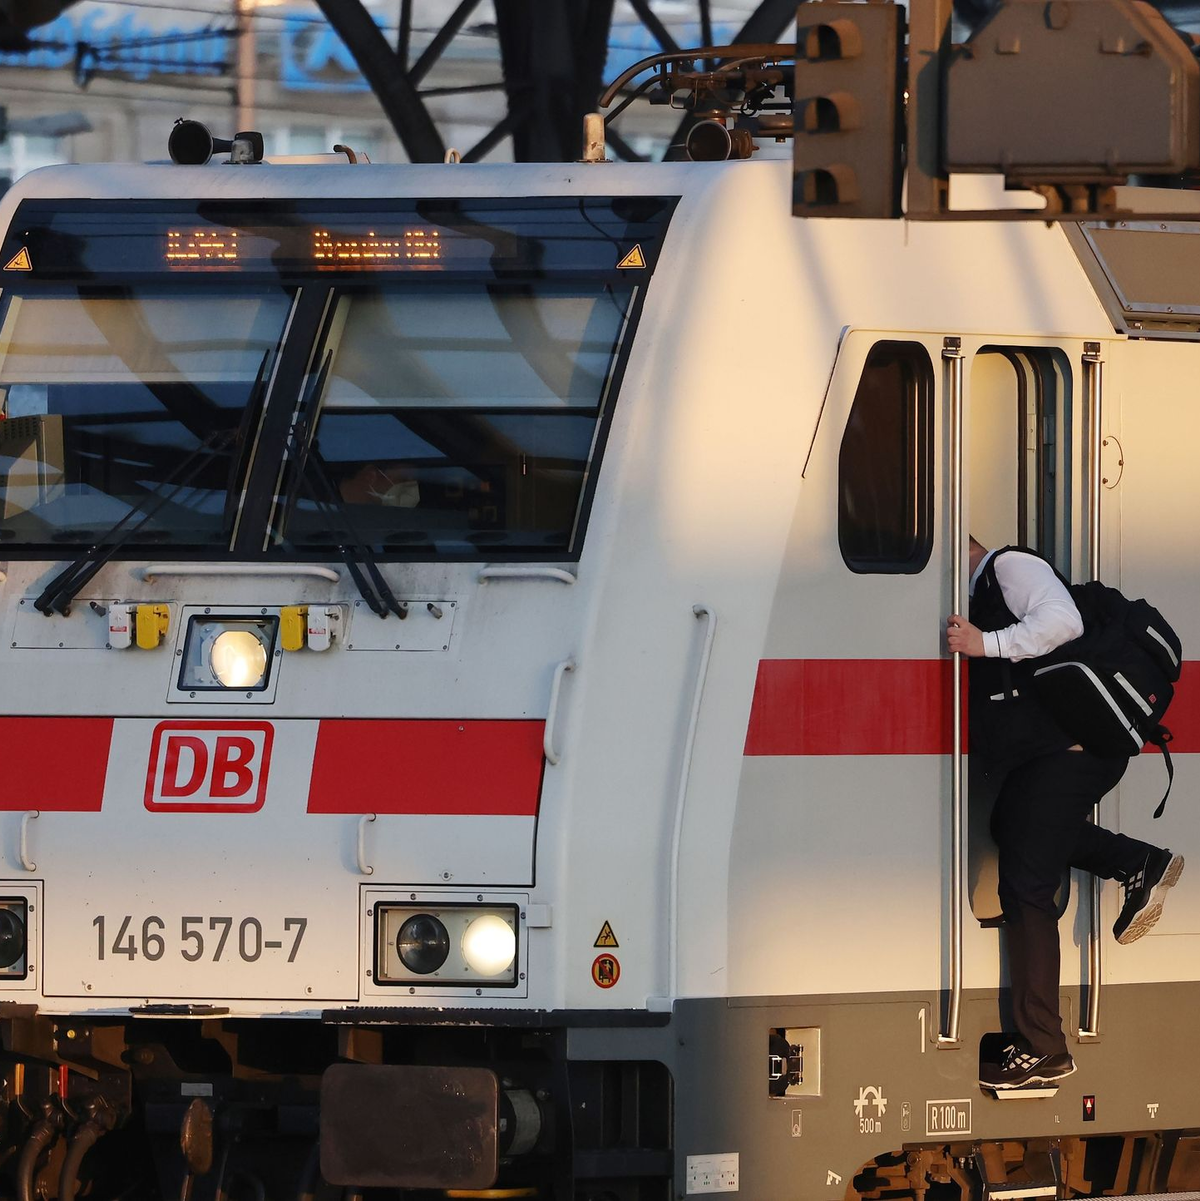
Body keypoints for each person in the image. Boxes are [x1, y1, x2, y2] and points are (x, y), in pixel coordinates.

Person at [946, 537, 1185, 1090]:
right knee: (1011, 825)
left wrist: (986, 643)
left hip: (1074, 752)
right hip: (1063, 750)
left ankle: (1042, 1048)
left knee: (1027, 884)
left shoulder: (1009, 566)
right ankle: (1140, 863)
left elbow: (1062, 623)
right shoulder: (993, 580)